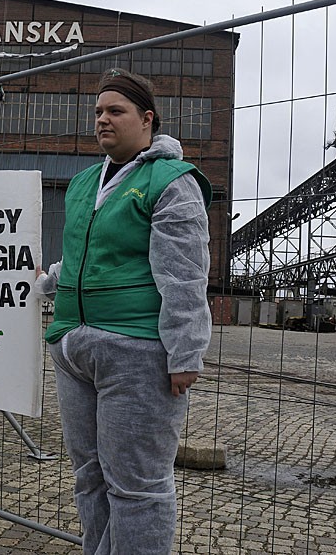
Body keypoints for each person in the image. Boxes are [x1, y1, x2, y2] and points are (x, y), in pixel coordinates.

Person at [35, 68, 212, 554]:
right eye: (98, 112)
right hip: (73, 348)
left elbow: (185, 273)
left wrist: (184, 353)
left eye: (116, 111)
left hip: (136, 350)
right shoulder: (85, 183)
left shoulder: (170, 182)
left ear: (147, 119)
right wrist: (47, 281)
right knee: (89, 478)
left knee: (138, 486)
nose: (102, 120)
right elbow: (80, 256)